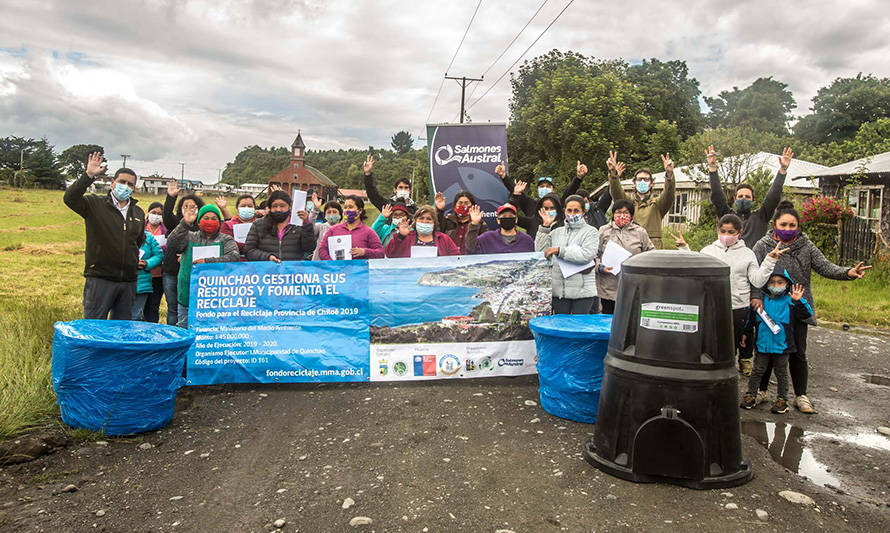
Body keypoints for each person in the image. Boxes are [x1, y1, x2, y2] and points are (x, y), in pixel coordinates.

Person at [750, 200, 872, 413]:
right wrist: (757, 297)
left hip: (796, 307)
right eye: (784, 225)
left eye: (792, 225)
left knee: (798, 352)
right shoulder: (762, 246)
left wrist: (847, 272)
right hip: (769, 309)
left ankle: (800, 395)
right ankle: (761, 391)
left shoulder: (805, 246)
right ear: (774, 224)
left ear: (798, 227)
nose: (788, 229)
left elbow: (825, 266)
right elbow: (753, 275)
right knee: (766, 350)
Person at [674, 214, 785, 374]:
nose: (726, 235)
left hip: (738, 307)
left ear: (739, 233)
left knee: (732, 345)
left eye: (731, 231)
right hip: (711, 306)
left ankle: (727, 375)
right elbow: (696, 270)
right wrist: (685, 249)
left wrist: (769, 261)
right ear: (718, 230)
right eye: (723, 230)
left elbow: (758, 280)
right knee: (710, 343)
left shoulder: (747, 254)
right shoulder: (708, 251)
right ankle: (709, 374)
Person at [63, 152, 146, 319]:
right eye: (122, 182)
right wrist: (88, 176)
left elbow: (137, 241)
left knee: (121, 332)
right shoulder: (95, 204)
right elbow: (70, 198)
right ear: (112, 183)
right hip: (100, 278)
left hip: (128, 281)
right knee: (94, 328)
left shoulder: (138, 212)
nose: (126, 186)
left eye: (130, 184)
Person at [740, 272, 812, 415]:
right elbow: (751, 319)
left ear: (787, 284)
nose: (776, 285)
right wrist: (745, 334)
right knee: (757, 371)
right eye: (772, 282)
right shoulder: (761, 301)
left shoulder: (790, 301)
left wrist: (799, 301)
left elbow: (806, 314)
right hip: (762, 344)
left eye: (780, 282)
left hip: (783, 345)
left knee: (781, 373)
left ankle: (782, 399)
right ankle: (751, 394)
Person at [166, 204, 240, 328]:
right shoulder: (189, 237)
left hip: (216, 300)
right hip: (188, 296)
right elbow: (172, 244)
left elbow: (234, 258)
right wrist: (184, 223)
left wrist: (207, 261)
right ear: (199, 221)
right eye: (206, 218)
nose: (210, 221)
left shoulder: (226, 240)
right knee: (185, 331)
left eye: (214, 218)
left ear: (220, 222)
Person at [709, 145, 793, 249]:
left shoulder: (761, 217)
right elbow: (717, 196)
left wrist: (782, 170)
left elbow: (773, 197)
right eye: (740, 196)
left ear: (753, 200)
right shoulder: (727, 215)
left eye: (747, 196)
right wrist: (713, 169)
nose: (743, 198)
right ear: (735, 199)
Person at [535, 194, 599, 314]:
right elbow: (541, 252)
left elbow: (587, 255)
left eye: (576, 210)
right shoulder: (556, 232)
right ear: (564, 211)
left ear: (583, 212)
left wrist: (560, 251)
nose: (572, 213)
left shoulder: (591, 232)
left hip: (582, 294)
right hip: (560, 293)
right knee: (560, 329)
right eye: (569, 210)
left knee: (578, 329)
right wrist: (545, 227)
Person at [595, 199, 655, 315]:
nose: (621, 215)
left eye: (625, 213)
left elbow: (651, 253)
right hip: (608, 285)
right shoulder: (604, 231)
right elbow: (594, 254)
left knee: (630, 318)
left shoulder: (640, 232)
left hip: (632, 284)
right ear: (613, 214)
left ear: (631, 215)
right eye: (618, 212)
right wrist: (600, 267)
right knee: (608, 319)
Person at [608, 151, 675, 249]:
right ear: (634, 183)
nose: (642, 182)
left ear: (651, 183)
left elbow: (669, 194)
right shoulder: (628, 203)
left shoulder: (657, 205)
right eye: (639, 180)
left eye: (646, 179)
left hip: (652, 249)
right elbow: (616, 193)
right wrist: (613, 174)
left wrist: (669, 175)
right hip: (631, 246)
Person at [162, 180, 205, 326]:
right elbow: (166, 214)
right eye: (185, 206)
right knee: (173, 309)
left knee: (189, 309)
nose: (189, 209)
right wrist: (170, 197)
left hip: (192, 275)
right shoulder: (175, 222)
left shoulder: (203, 227)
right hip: (172, 272)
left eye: (193, 206)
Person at [494, 160, 589, 218]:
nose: (545, 188)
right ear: (537, 190)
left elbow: (570, 191)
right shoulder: (530, 205)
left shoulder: (560, 203)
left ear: (553, 190)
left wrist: (578, 178)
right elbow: (515, 191)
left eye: (548, 186)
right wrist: (504, 177)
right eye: (542, 187)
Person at [243, 190, 315, 262]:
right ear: (270, 208)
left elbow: (309, 248)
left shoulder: (298, 224)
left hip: (293, 270)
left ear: (289, 206)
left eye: (282, 206)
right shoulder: (258, 225)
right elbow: (249, 250)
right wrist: (268, 257)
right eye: (274, 206)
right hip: (266, 270)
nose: (278, 209)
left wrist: (306, 225)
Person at [316, 195, 385, 260]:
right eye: (345, 207)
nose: (347, 210)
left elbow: (380, 253)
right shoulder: (333, 230)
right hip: (337, 271)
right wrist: (332, 263)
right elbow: (322, 250)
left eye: (350, 207)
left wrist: (364, 252)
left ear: (360, 211)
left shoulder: (368, 232)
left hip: (359, 271)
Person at [384, 205, 459, 258]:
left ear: (434, 222)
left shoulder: (444, 239)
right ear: (415, 221)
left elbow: (456, 258)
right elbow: (389, 254)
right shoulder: (406, 237)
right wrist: (400, 236)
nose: (424, 221)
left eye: (429, 219)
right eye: (421, 218)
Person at [141, 201, 167, 322]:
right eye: (153, 212)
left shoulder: (166, 229)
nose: (156, 215)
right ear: (148, 213)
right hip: (141, 274)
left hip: (158, 274)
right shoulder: (141, 227)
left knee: (153, 306)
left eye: (159, 213)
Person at [434, 190, 482, 255]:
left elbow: (483, 245)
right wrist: (439, 210)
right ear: (455, 205)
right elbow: (436, 232)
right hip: (448, 260)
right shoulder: (447, 220)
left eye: (466, 203)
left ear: (472, 205)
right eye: (460, 203)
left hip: (470, 261)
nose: (463, 205)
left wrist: (474, 224)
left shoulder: (479, 223)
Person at [132, 231, 164, 320]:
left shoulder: (148, 237)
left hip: (142, 284)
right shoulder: (119, 234)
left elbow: (159, 255)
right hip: (121, 282)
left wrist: (146, 263)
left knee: (136, 316)